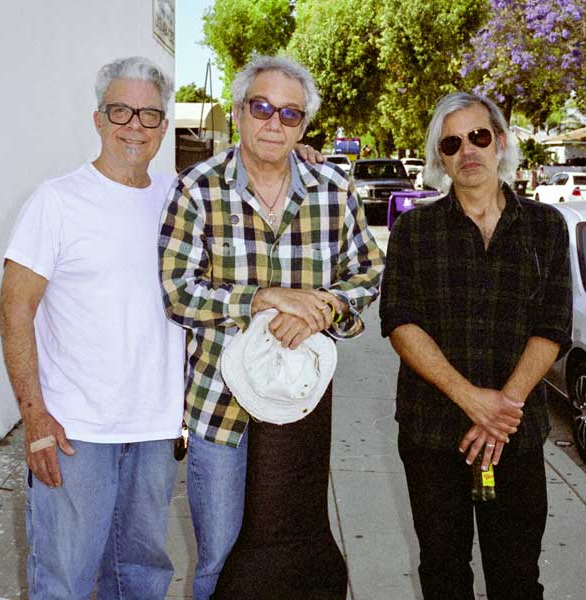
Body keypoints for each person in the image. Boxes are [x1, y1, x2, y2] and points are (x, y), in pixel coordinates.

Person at [158, 54, 385, 599]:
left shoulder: (333, 188)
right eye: (261, 107)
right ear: (238, 111)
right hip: (220, 409)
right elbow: (177, 291)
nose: (273, 123)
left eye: (290, 114)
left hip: (298, 405)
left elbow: (369, 271)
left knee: (294, 554)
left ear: (304, 125)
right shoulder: (197, 188)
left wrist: (328, 306)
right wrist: (262, 299)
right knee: (220, 560)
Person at [0, 56, 185, 599]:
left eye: (149, 114)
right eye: (120, 110)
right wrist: (34, 418)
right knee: (66, 581)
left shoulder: (179, 200)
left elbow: (248, 180)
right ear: (98, 119)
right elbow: (15, 311)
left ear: (164, 126)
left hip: (154, 428)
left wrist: (303, 158)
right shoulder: (55, 202)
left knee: (142, 578)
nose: (134, 125)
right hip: (74, 432)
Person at [379, 91, 572, 600]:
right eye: (451, 142)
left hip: (517, 437)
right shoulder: (414, 231)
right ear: (439, 156)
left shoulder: (546, 227)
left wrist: (501, 408)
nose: (467, 150)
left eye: (478, 136)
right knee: (443, 574)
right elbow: (400, 322)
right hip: (432, 435)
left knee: (517, 579)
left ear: (501, 142)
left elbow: (553, 326)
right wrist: (472, 399)